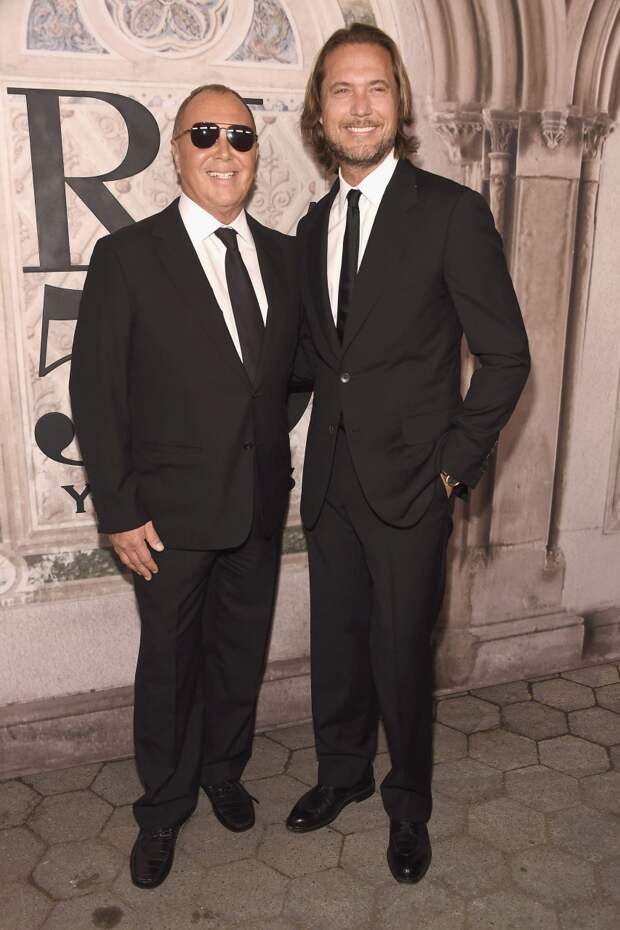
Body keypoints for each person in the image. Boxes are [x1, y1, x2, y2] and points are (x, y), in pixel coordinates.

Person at [286, 23, 530, 884]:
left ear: (400, 104)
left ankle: (407, 805)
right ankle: (342, 773)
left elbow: (507, 357)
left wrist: (452, 466)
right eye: (342, 90)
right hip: (332, 480)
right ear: (320, 111)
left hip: (413, 483)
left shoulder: (450, 213)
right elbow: (319, 362)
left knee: (400, 655)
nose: (360, 107)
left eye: (377, 88)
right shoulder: (312, 225)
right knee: (338, 645)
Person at [70, 84, 301, 889]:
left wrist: (257, 439)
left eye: (239, 135)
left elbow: (290, 377)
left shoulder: (285, 258)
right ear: (177, 151)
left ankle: (222, 773)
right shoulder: (129, 257)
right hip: (164, 518)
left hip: (258, 502)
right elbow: (98, 394)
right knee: (170, 666)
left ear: (255, 153)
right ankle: (164, 806)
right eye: (204, 134)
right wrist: (120, 509)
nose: (223, 150)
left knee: (239, 655)